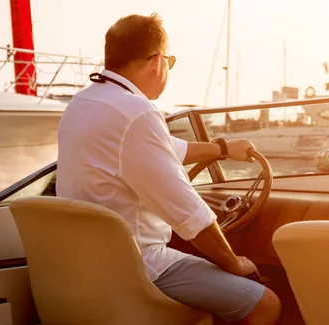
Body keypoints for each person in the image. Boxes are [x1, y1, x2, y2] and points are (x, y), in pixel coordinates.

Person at [56, 13, 281, 324]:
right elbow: (189, 214)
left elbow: (165, 151)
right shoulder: (137, 112)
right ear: (157, 61)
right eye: (169, 62)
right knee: (265, 303)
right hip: (139, 264)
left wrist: (223, 150)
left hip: (85, 263)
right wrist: (234, 263)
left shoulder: (84, 103)